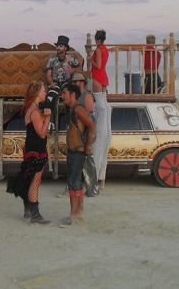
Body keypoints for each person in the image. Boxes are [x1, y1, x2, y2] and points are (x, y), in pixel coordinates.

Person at [6, 81, 52, 224]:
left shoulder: (31, 109)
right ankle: (35, 214)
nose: (45, 93)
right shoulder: (34, 111)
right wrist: (48, 117)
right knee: (35, 181)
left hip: (32, 148)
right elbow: (42, 134)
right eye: (44, 91)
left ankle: (28, 209)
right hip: (37, 149)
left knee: (31, 179)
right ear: (38, 93)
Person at [59, 83, 95, 227]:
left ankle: (75, 215)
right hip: (74, 151)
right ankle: (76, 213)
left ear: (73, 95)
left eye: (65, 93)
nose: (63, 96)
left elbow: (92, 126)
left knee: (74, 184)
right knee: (75, 183)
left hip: (78, 152)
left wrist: (87, 146)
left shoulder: (78, 109)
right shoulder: (72, 110)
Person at [90, 29, 111, 191]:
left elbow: (97, 64)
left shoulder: (98, 50)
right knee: (103, 103)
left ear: (97, 39)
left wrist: (90, 58)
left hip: (97, 75)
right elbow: (103, 64)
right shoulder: (106, 49)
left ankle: (99, 126)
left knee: (99, 104)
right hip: (103, 75)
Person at [45, 35, 83, 113]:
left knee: (69, 96)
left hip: (66, 82)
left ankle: (70, 119)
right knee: (49, 98)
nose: (58, 48)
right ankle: (50, 121)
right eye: (57, 46)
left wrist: (71, 68)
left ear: (65, 48)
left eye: (60, 46)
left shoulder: (70, 58)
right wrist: (51, 83)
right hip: (55, 82)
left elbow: (79, 69)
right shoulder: (52, 59)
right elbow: (48, 74)